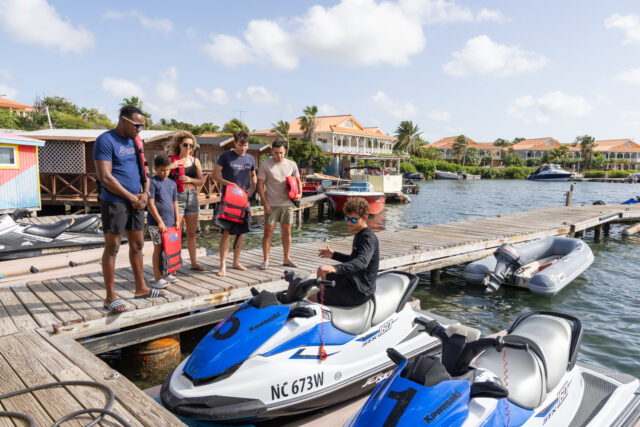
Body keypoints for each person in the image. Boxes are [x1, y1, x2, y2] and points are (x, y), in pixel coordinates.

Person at [94, 105, 166, 313]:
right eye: (136, 125)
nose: (139, 129)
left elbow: (144, 171)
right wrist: (130, 196)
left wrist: (145, 193)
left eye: (142, 125)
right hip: (114, 201)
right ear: (124, 120)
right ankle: (110, 297)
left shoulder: (136, 141)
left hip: (137, 200)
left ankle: (141, 288)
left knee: (138, 245)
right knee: (113, 247)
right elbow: (105, 177)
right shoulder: (105, 140)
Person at [314, 197, 379, 307]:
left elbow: (362, 262)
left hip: (360, 290)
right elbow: (354, 259)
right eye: (347, 218)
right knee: (321, 271)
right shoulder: (359, 233)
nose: (349, 222)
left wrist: (336, 268)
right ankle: (326, 298)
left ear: (364, 218)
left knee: (311, 299)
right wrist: (334, 255)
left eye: (354, 219)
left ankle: (323, 299)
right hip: (353, 279)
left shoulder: (367, 238)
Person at [213, 130, 256, 276]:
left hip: (244, 200)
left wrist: (252, 188)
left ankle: (236, 261)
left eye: (245, 145)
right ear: (235, 143)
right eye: (240, 145)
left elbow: (253, 176)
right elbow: (215, 175)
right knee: (226, 232)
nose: (242, 148)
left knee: (240, 232)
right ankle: (222, 264)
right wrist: (230, 184)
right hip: (228, 200)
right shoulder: (226, 156)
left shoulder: (250, 159)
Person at [256, 140, 302, 270]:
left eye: (281, 153)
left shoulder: (292, 164)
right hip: (271, 204)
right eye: (276, 153)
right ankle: (265, 260)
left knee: (287, 232)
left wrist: (300, 194)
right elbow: (260, 185)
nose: (279, 156)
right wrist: (265, 204)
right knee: (267, 232)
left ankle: (287, 259)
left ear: (285, 151)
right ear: (272, 152)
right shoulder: (265, 165)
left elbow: (298, 182)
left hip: (287, 204)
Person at [167, 131, 206, 271]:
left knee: (191, 232)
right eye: (185, 145)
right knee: (176, 231)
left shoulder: (196, 161)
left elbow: (201, 180)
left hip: (192, 197)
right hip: (177, 197)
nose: (188, 147)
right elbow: (161, 172)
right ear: (179, 144)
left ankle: (194, 262)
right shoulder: (173, 160)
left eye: (191, 145)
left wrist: (190, 180)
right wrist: (171, 166)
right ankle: (174, 264)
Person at [147, 154, 180, 289]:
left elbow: (175, 203)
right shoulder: (152, 183)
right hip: (156, 224)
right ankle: (157, 277)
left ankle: (167, 273)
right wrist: (160, 221)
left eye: (167, 170)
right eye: (162, 170)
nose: (165, 172)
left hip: (171, 223)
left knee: (169, 249)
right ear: (155, 169)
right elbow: (151, 204)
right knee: (158, 248)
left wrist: (177, 220)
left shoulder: (172, 183)